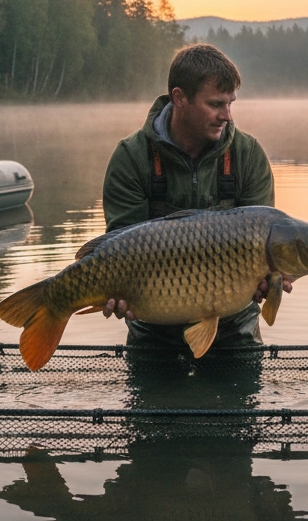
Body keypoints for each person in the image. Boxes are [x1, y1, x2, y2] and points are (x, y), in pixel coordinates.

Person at [100, 43, 290, 348]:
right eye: (215, 104)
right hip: (152, 324)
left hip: (234, 326)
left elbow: (263, 238)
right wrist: (116, 296)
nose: (226, 115)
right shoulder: (132, 157)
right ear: (180, 98)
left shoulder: (247, 154)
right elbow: (120, 246)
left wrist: (271, 281)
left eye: (230, 103)